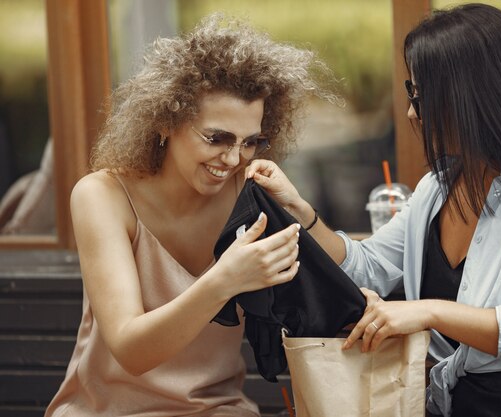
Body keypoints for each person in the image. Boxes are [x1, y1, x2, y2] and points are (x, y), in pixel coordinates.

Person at [246, 3, 501, 416]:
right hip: (463, 401)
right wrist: (298, 207)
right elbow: (365, 266)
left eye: (421, 97)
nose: (410, 113)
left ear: (478, 99)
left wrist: (426, 312)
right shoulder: (437, 189)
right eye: (412, 94)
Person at [45, 14, 334, 417]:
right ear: (166, 121)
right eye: (216, 138)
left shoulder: (247, 193)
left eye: (250, 142)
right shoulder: (103, 196)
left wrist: (302, 211)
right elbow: (131, 350)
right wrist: (225, 279)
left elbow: (333, 270)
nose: (233, 159)